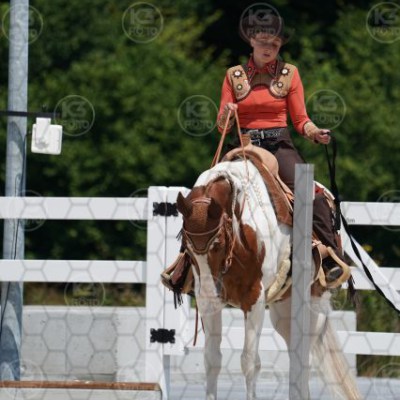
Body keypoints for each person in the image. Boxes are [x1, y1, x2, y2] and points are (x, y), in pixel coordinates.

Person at [216, 14, 350, 286]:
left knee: (309, 193)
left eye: (275, 44)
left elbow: (300, 120)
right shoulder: (233, 75)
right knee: (209, 193)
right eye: (263, 42)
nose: (268, 48)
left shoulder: (290, 74)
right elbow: (222, 127)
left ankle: (329, 257)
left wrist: (315, 133)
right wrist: (227, 113)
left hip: (279, 145)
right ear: (252, 41)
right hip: (244, 146)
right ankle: (190, 261)